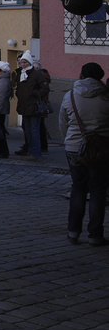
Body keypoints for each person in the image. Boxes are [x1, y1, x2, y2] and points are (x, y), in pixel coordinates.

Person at [58, 62, 109, 245]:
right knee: (97, 191)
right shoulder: (105, 96)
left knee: (78, 189)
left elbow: (63, 123)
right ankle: (95, 234)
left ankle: (73, 232)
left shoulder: (70, 95)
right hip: (101, 149)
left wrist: (69, 141)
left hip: (74, 147)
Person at [14, 51, 50, 160]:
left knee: (34, 131)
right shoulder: (21, 74)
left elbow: (45, 88)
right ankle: (30, 150)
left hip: (34, 107)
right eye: (21, 62)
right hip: (25, 106)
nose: (23, 64)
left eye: (25, 62)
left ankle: (35, 153)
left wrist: (35, 94)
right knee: (27, 131)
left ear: (29, 63)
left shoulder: (36, 74)